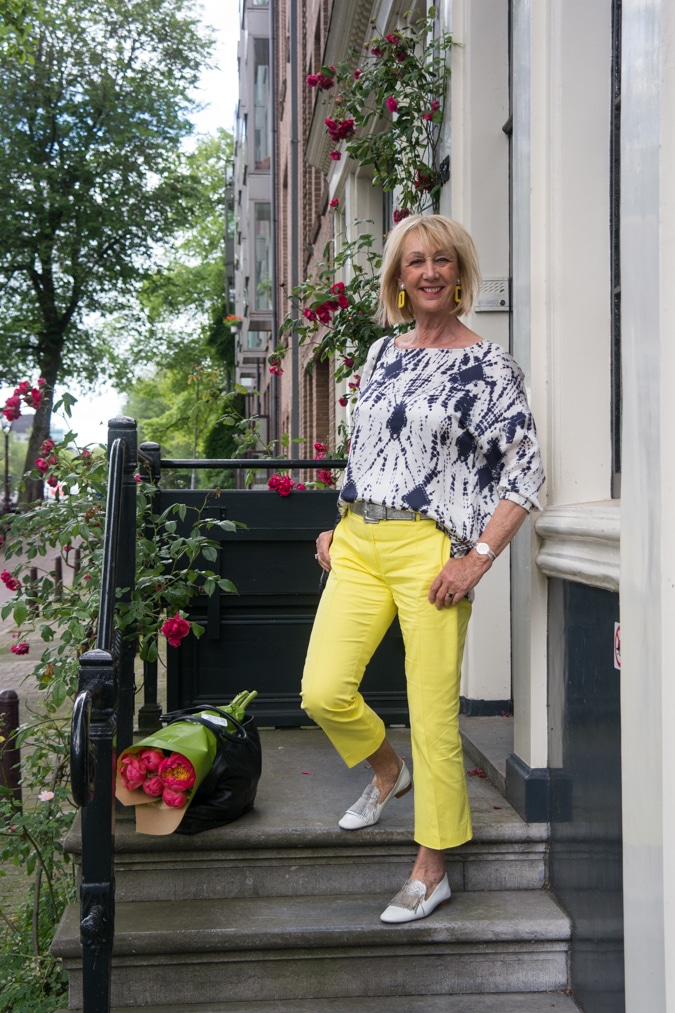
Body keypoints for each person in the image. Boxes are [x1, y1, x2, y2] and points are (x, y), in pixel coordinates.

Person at [301, 214, 545, 924]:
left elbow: (524, 472)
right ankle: (385, 770)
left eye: (441, 259)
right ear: (398, 279)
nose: (429, 272)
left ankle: (429, 865)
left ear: (460, 272)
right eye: (414, 262)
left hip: (430, 551)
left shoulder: (488, 365)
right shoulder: (381, 354)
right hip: (358, 542)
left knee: (433, 717)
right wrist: (337, 517)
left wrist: (477, 558)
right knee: (322, 689)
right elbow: (365, 450)